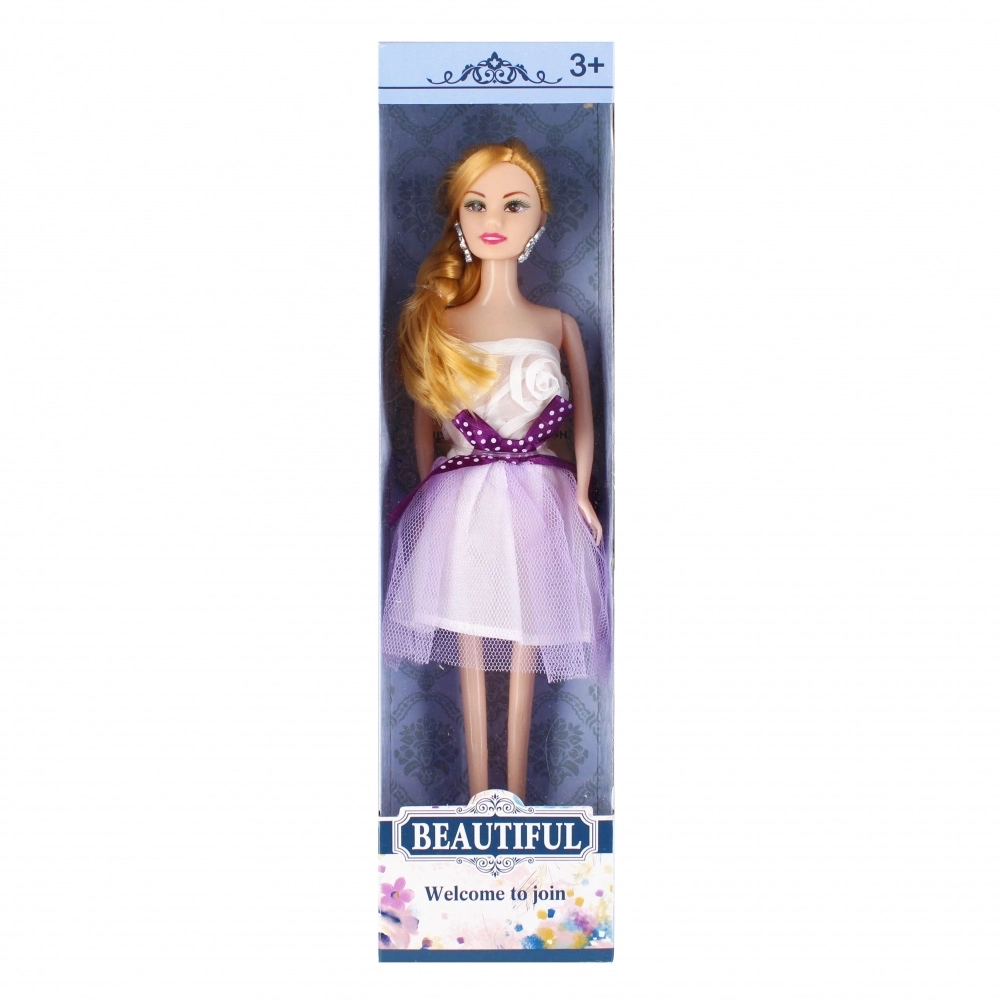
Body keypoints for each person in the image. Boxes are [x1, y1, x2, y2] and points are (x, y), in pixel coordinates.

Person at [383, 139, 610, 802]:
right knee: (473, 640)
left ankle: (517, 798)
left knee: (529, 636)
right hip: (464, 494)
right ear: (458, 215)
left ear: (539, 218)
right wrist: (432, 490)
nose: (495, 219)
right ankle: (479, 796)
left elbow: (584, 416)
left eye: (515, 205)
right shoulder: (441, 322)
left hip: (542, 492)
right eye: (477, 204)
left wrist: (584, 493)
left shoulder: (556, 323)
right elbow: (423, 421)